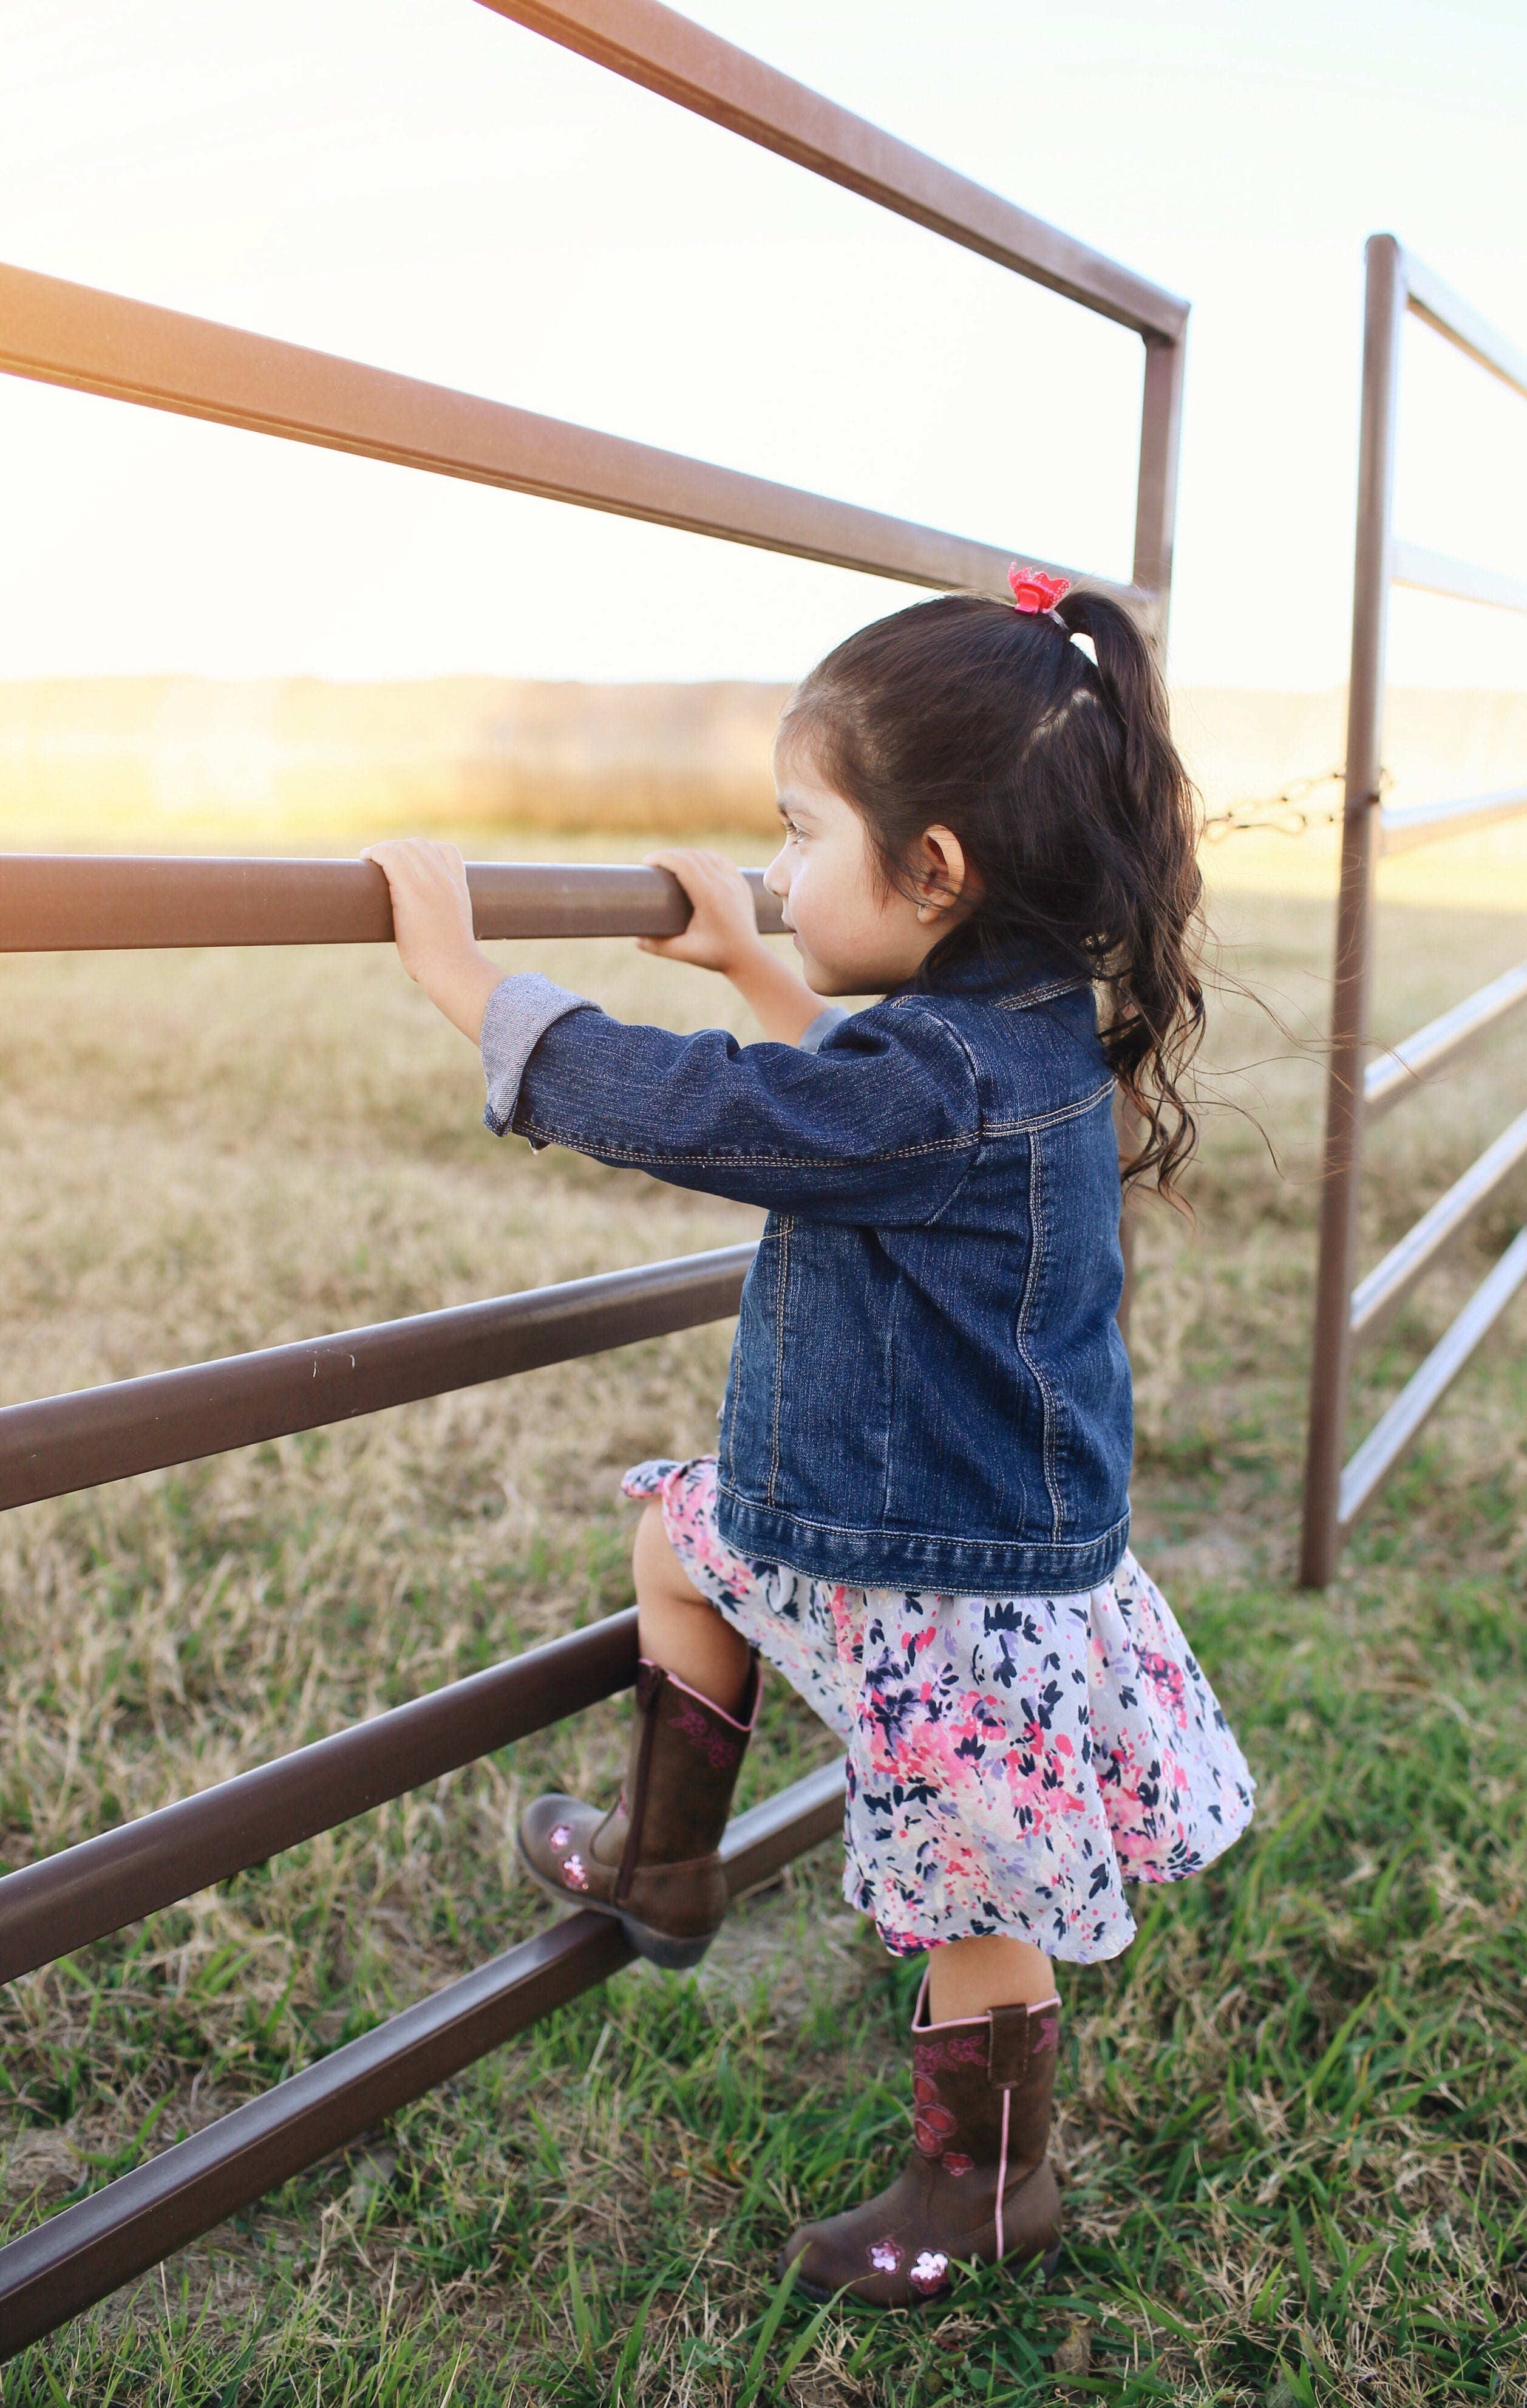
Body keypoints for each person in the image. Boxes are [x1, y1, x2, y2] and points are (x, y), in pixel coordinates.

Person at [364, 567, 1255, 2310]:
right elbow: (851, 1120)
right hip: (867, 1525)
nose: (775, 863)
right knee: (674, 1541)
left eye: (798, 831)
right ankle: (664, 1864)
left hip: (947, 1586)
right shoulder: (1007, 1040)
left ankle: (982, 2184)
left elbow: (738, 1116)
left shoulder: (946, 1081)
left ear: (935, 872)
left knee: (967, 1904)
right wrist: (766, 961)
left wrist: (468, 981)